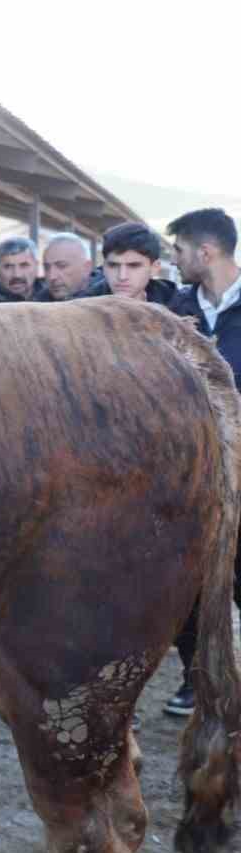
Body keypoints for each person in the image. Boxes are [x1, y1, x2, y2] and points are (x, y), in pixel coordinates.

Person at [165, 208, 241, 717]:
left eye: (179, 251)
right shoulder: (175, 306)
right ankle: (200, 682)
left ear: (205, 252)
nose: (175, 260)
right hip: (196, 477)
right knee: (191, 587)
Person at [95, 221, 179, 305]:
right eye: (113, 265)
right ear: (104, 267)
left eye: (134, 266)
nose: (122, 276)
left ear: (154, 268)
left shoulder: (179, 309)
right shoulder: (84, 308)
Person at [33, 232, 104, 302]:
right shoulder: (37, 303)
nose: (52, 276)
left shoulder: (109, 299)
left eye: (62, 266)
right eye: (47, 268)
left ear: (87, 268)